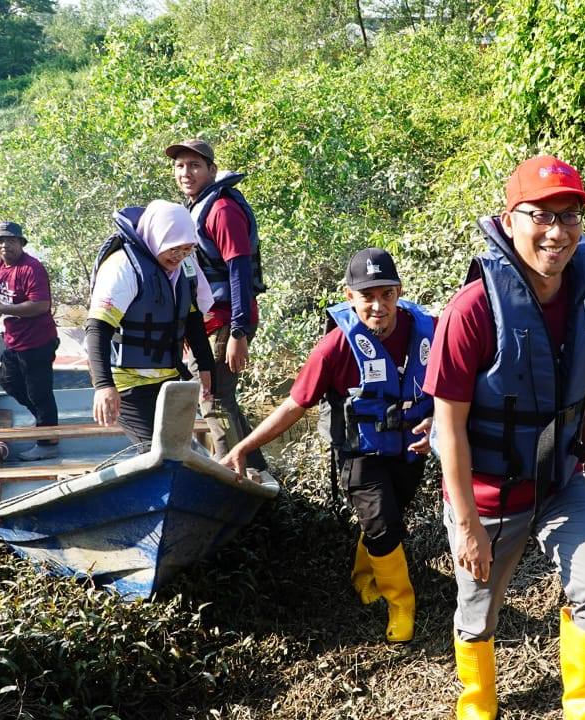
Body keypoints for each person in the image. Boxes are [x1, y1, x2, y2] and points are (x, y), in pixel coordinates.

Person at [425, 156, 585, 719]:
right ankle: (477, 707)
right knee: (477, 614)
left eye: (569, 217)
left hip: (560, 481)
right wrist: (466, 525)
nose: (557, 233)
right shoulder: (472, 309)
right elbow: (450, 422)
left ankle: (584, 710)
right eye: (541, 215)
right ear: (509, 219)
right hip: (488, 493)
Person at [221, 248, 435, 642]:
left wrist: (434, 422)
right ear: (349, 297)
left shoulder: (429, 330)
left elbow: (455, 389)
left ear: (399, 292)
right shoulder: (333, 347)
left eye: (386, 294)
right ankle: (402, 603)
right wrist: (243, 447)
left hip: (408, 447)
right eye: (367, 296)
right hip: (358, 451)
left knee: (390, 518)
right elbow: (293, 405)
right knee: (383, 523)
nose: (378, 306)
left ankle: (363, 574)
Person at [165, 138, 267, 469]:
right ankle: (256, 469)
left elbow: (239, 271)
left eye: (194, 165)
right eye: (180, 166)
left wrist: (238, 332)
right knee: (224, 398)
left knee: (213, 398)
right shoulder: (199, 207)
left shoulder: (221, 210)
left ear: (212, 169)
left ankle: (230, 474)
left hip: (226, 319)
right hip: (210, 320)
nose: (185, 173)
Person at [86, 200, 215, 448]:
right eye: (173, 248)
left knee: (179, 448)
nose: (179, 255)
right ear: (158, 238)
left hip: (168, 379)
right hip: (128, 382)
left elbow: (193, 322)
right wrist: (103, 387)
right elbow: (97, 330)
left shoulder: (185, 265)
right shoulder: (122, 267)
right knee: (154, 450)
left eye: (187, 248)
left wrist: (206, 369)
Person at [0, 221, 61, 462]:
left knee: (39, 393)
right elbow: (3, 301)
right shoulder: (1, 267)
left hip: (38, 342)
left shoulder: (31, 268)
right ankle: (47, 423)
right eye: (0, 241)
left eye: (10, 240)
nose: (4, 245)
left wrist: (1, 307)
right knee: (7, 380)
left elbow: (41, 305)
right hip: (15, 340)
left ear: (21, 243)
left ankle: (47, 443)